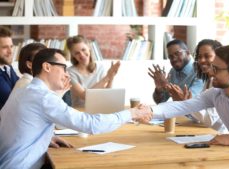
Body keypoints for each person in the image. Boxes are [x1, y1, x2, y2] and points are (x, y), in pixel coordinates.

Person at [0, 48, 152, 169]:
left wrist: (45, 137)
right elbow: (90, 124)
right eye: (63, 68)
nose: (67, 74)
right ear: (47, 67)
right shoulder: (44, 98)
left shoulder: (23, 92)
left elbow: (21, 127)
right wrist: (132, 113)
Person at [12, 42, 72, 149]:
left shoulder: (35, 84)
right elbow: (60, 123)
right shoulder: (28, 86)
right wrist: (59, 94)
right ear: (30, 64)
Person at [166, 39, 227, 133]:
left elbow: (211, 120)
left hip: (222, 134)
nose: (202, 60)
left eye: (207, 56)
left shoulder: (221, 84)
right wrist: (185, 103)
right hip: (210, 133)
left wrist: (186, 102)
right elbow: (198, 118)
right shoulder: (209, 81)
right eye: (199, 57)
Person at [148, 39, 203, 122]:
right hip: (182, 120)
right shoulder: (173, 72)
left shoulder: (200, 71)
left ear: (188, 53)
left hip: (198, 122)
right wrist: (159, 90)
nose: (173, 59)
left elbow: (190, 102)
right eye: (170, 56)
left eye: (177, 54)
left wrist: (167, 85)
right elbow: (160, 101)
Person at [66, 35, 120, 107]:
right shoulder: (69, 72)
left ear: (89, 48)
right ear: (73, 55)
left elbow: (106, 93)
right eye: (77, 53)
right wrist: (107, 77)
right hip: (80, 112)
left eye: (83, 49)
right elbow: (84, 96)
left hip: (99, 108)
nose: (81, 55)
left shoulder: (100, 67)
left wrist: (111, 77)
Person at [0, 26, 19, 109]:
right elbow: (10, 99)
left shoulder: (8, 67)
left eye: (11, 46)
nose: (11, 51)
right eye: (5, 47)